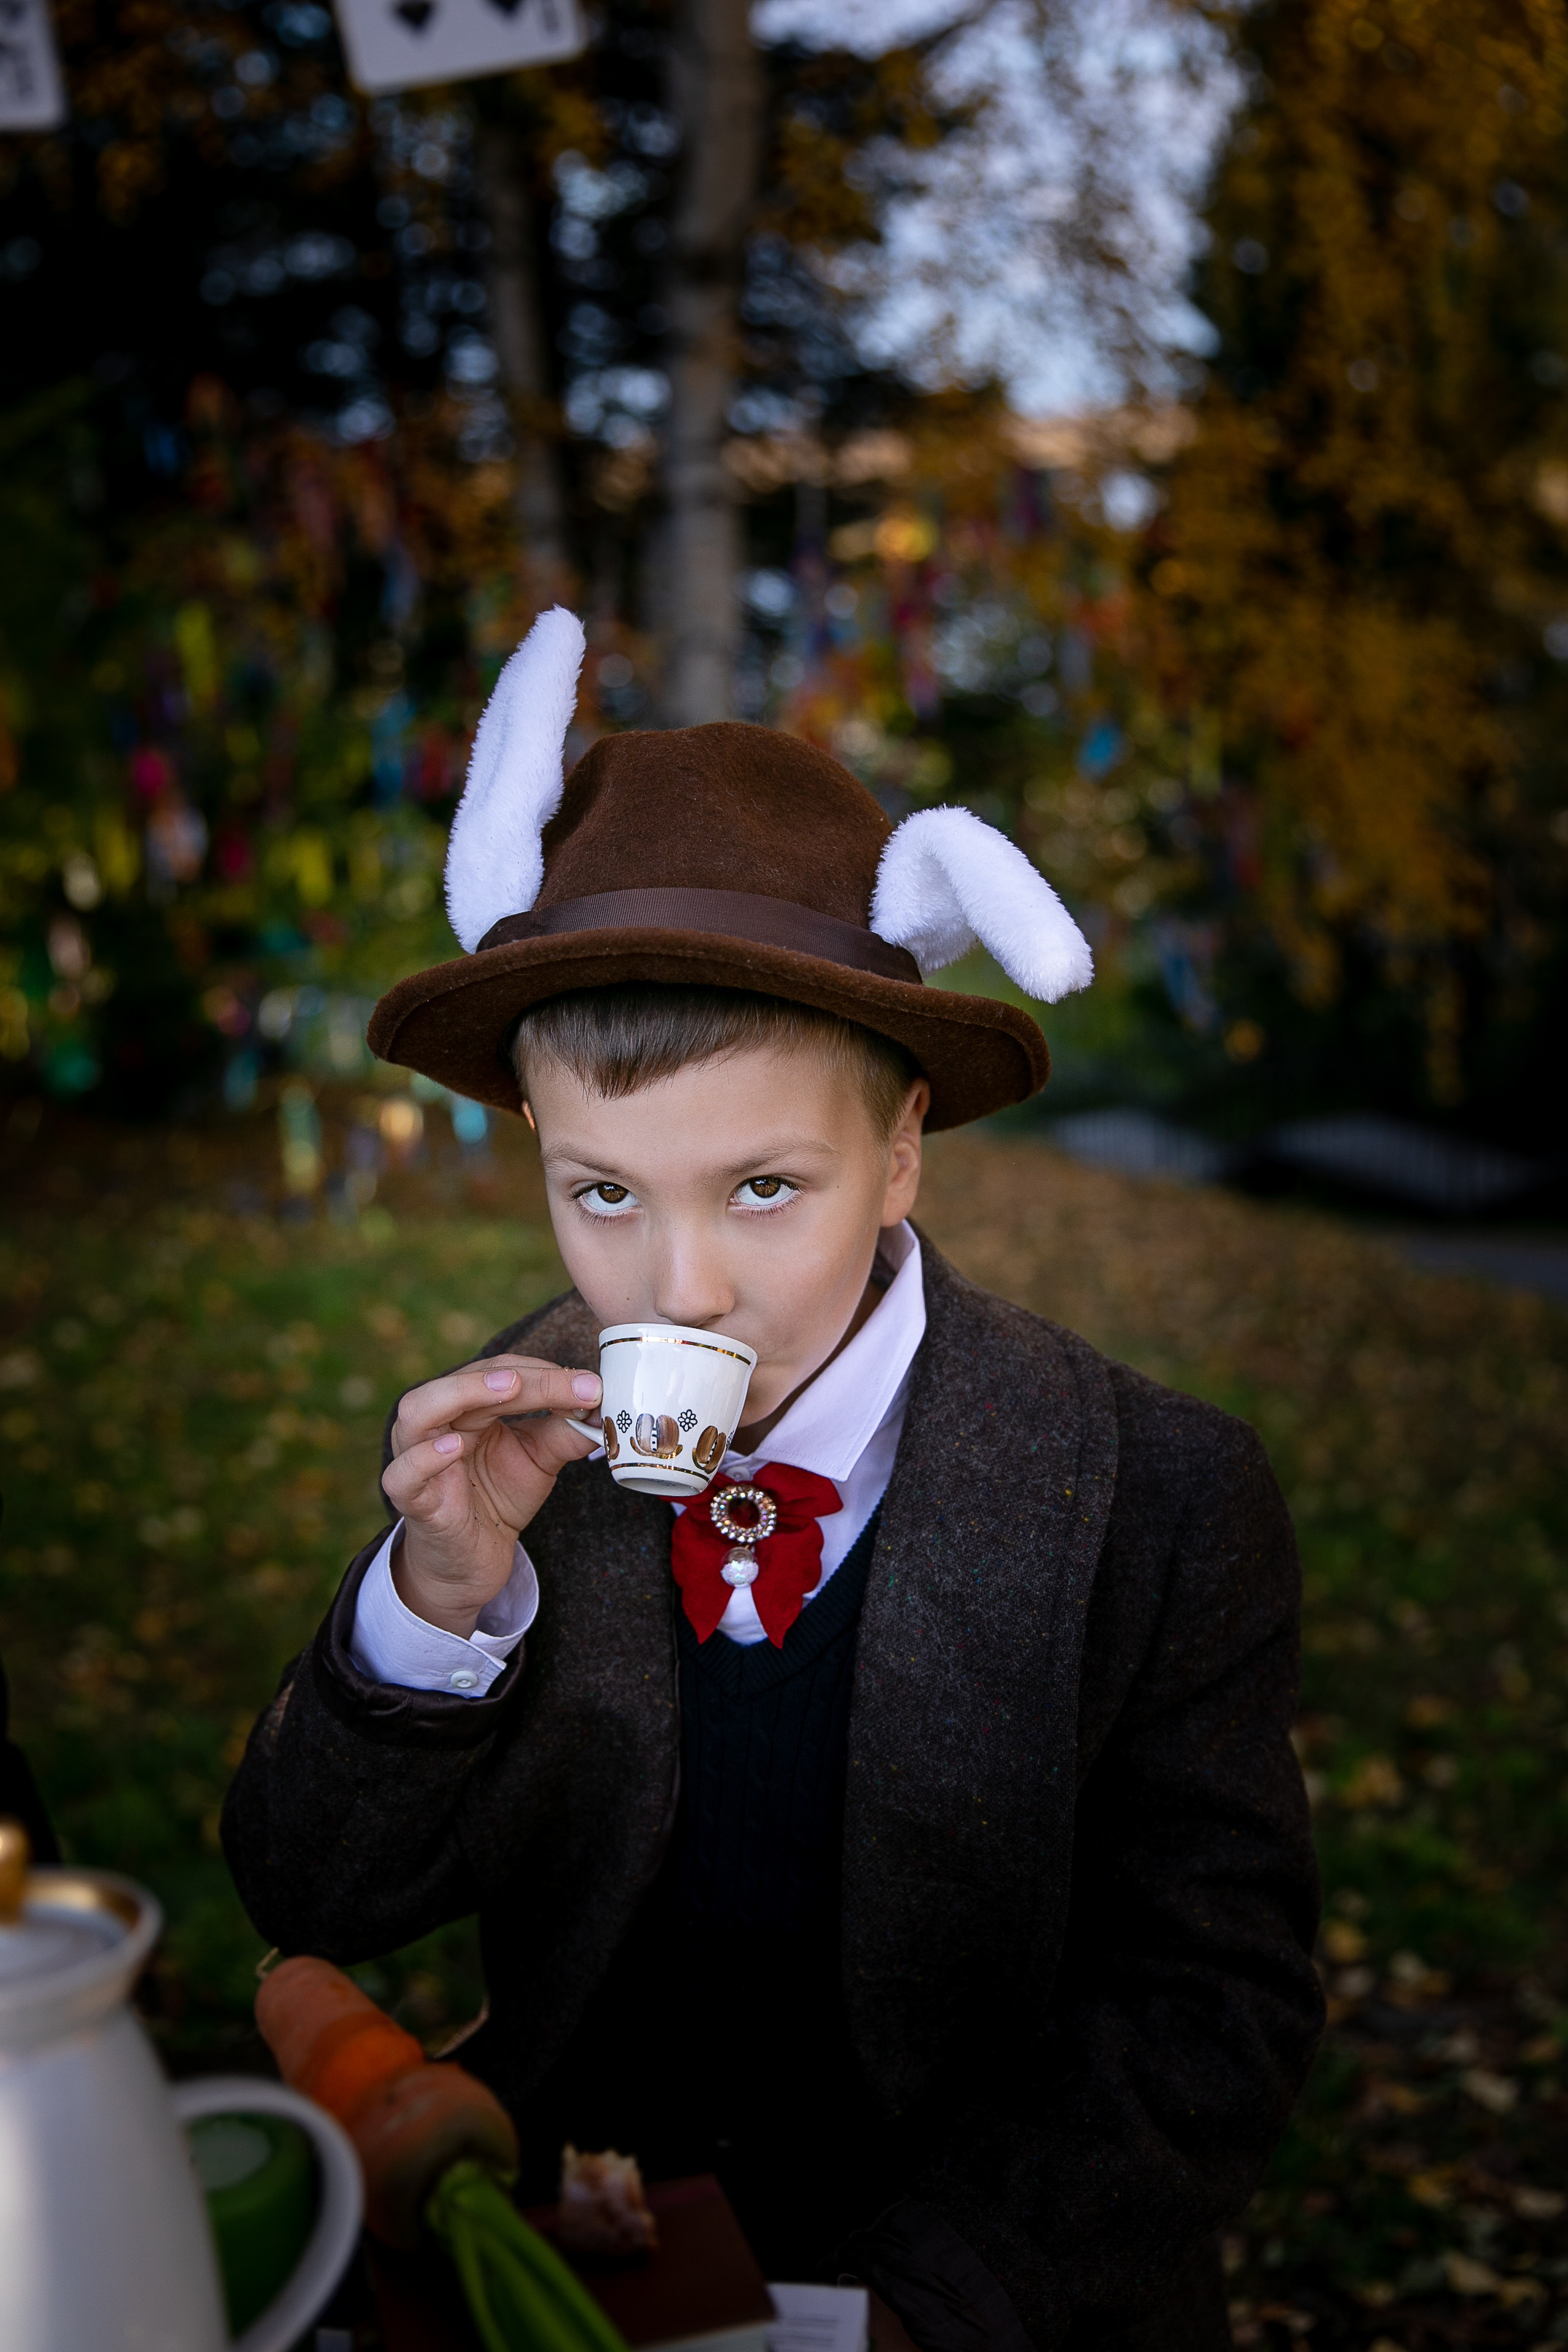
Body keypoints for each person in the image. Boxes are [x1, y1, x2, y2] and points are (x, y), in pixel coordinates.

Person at [224, 611, 1322, 2352]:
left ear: (897, 1151)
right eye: (603, 1195)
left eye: (760, 1188)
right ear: (534, 1145)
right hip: (570, 2262)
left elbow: (1212, 2006)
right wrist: (436, 1605)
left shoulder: (1156, 1498)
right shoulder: (511, 1446)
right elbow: (315, 1898)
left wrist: (921, 2312)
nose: (679, 1289)